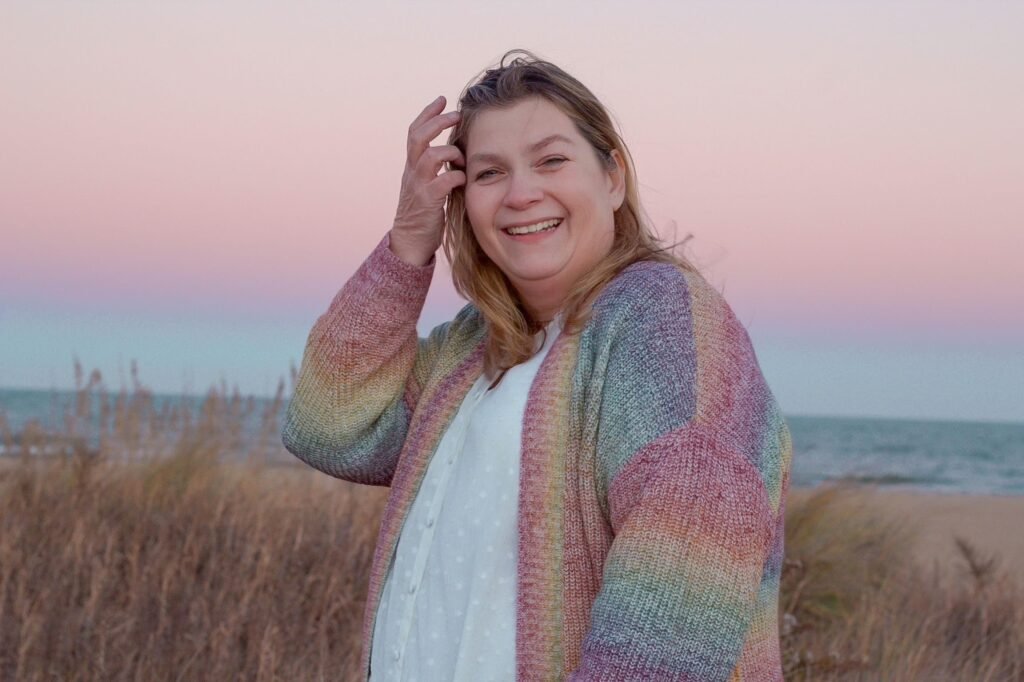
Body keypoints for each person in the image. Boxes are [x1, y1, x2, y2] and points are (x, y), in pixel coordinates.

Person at [282, 49, 792, 682]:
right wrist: (409, 238)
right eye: (490, 173)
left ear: (612, 177)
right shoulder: (471, 348)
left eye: (551, 160)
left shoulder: (659, 319)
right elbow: (327, 427)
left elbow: (689, 559)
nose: (522, 193)